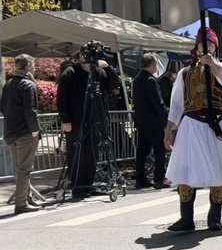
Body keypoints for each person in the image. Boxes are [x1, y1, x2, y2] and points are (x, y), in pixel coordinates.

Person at [163, 28, 222, 231]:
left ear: (216, 46)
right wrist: (169, 130)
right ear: (197, 47)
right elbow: (177, 104)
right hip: (191, 125)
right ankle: (186, 218)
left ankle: (215, 216)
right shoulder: (184, 72)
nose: (207, 47)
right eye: (204, 44)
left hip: (216, 124)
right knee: (185, 172)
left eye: (211, 44)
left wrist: (212, 64)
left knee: (218, 171)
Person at [57, 55, 122, 199]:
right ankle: (78, 188)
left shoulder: (97, 71)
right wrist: (65, 120)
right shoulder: (70, 73)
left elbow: (113, 84)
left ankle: (89, 185)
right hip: (75, 122)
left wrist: (108, 68)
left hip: (95, 120)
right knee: (77, 156)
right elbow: (62, 99)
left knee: (92, 155)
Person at [1, 54, 42, 214]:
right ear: (28, 66)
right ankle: (21, 203)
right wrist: (35, 130)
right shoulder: (28, 85)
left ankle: (27, 197)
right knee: (25, 169)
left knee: (22, 168)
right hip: (25, 132)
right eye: (33, 64)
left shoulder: (8, 84)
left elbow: (3, 108)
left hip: (10, 132)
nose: (35, 67)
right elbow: (30, 110)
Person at [132, 53, 170, 189]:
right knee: (159, 150)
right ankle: (159, 178)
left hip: (142, 121)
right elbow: (158, 102)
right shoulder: (150, 80)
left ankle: (140, 179)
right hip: (153, 121)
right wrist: (166, 118)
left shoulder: (137, 79)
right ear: (152, 64)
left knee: (142, 151)